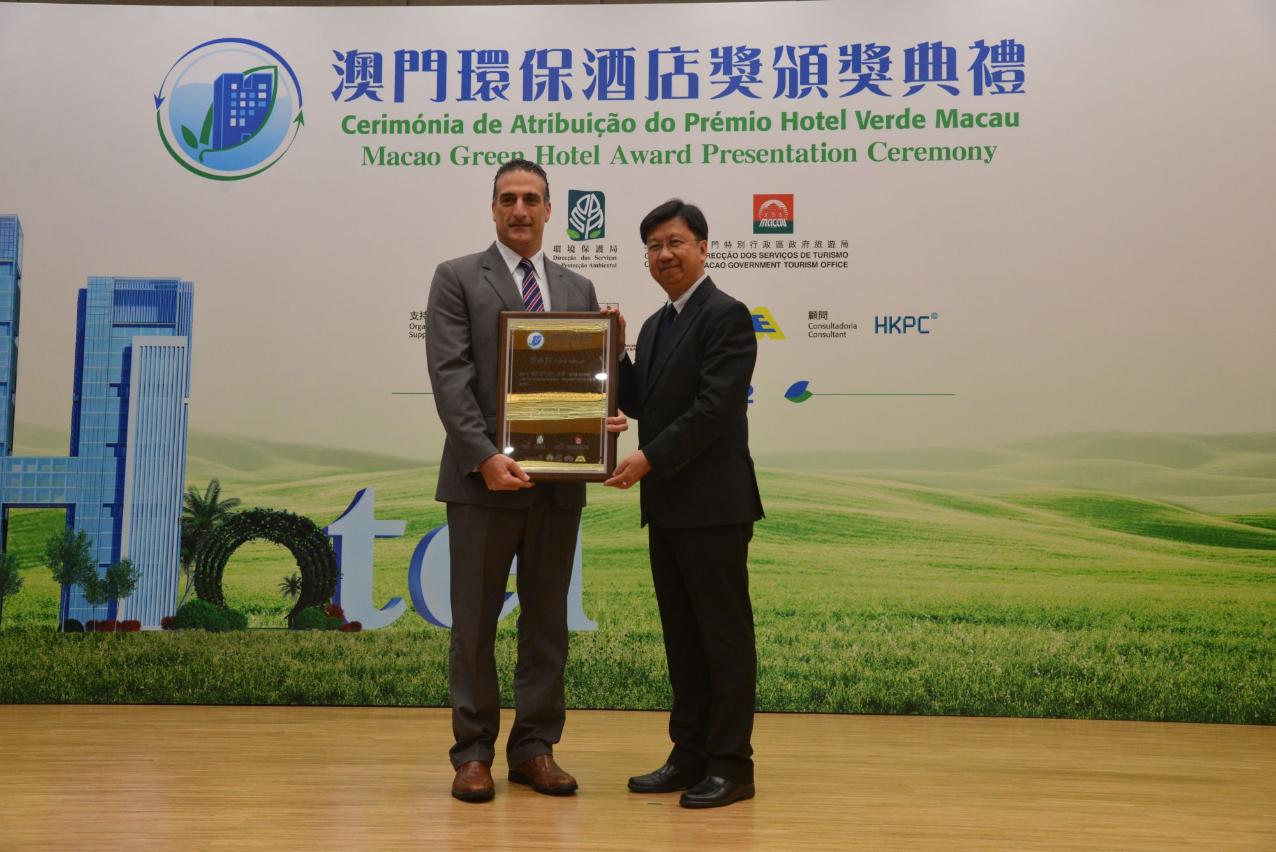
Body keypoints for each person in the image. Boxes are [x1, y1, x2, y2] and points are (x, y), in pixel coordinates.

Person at [426, 159, 625, 803]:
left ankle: (535, 748)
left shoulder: (577, 287)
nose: (520, 209)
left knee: (546, 624)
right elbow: (450, 377)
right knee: (474, 625)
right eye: (508, 198)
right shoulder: (457, 277)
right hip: (482, 484)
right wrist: (484, 455)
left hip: (557, 488)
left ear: (548, 210)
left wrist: (602, 420)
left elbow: (586, 379)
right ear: (493, 209)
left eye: (531, 199)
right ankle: (473, 752)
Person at [605, 199, 764, 809]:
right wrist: (617, 350)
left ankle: (732, 765)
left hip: (715, 506)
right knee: (683, 638)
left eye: (675, 242)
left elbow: (714, 409)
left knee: (722, 638)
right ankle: (689, 754)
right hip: (668, 505)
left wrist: (647, 458)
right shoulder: (654, 326)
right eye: (653, 246)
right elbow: (642, 401)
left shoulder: (727, 315)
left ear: (703, 248)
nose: (664, 254)